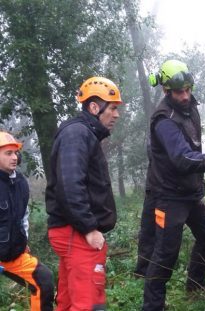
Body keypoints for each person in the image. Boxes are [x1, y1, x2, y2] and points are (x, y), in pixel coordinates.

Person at [142, 59, 205, 311]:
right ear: (166, 91)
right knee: (165, 254)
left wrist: (199, 188)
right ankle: (153, 306)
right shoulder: (164, 119)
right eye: (178, 92)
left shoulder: (190, 108)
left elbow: (193, 147)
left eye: (188, 89)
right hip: (168, 196)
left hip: (190, 193)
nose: (185, 96)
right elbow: (182, 157)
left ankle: (195, 286)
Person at [45, 76, 122, 310]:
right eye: (113, 108)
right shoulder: (77, 134)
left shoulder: (82, 134)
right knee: (88, 303)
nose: (117, 115)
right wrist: (89, 228)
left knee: (69, 301)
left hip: (71, 230)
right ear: (94, 107)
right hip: (76, 232)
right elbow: (70, 185)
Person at [0, 131, 54, 311]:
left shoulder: (21, 183)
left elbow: (22, 216)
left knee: (44, 279)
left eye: (16, 153)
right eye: (8, 153)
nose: (14, 157)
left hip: (12, 255)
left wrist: (23, 240)